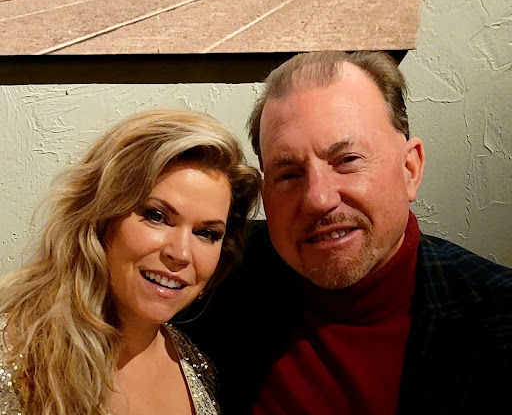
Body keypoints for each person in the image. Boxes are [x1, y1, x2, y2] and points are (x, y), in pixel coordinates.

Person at [186, 51, 512, 415]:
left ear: (410, 169)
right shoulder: (218, 271)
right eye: (288, 174)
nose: (318, 199)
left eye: (348, 160)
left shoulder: (499, 319)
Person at [0, 109, 261, 415]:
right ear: (100, 218)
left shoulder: (198, 363)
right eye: (156, 216)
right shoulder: (10, 354)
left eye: (206, 233)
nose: (181, 253)